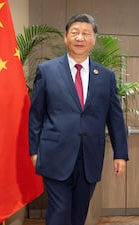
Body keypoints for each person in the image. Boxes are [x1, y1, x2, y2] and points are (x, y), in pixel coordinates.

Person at [29, 14, 129, 225]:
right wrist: (34, 151)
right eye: (74, 33)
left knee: (79, 214)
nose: (79, 38)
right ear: (66, 38)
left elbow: (115, 118)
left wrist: (120, 154)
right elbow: (36, 114)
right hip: (55, 154)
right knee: (59, 211)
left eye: (85, 33)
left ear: (93, 39)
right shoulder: (47, 71)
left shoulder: (106, 77)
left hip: (89, 156)